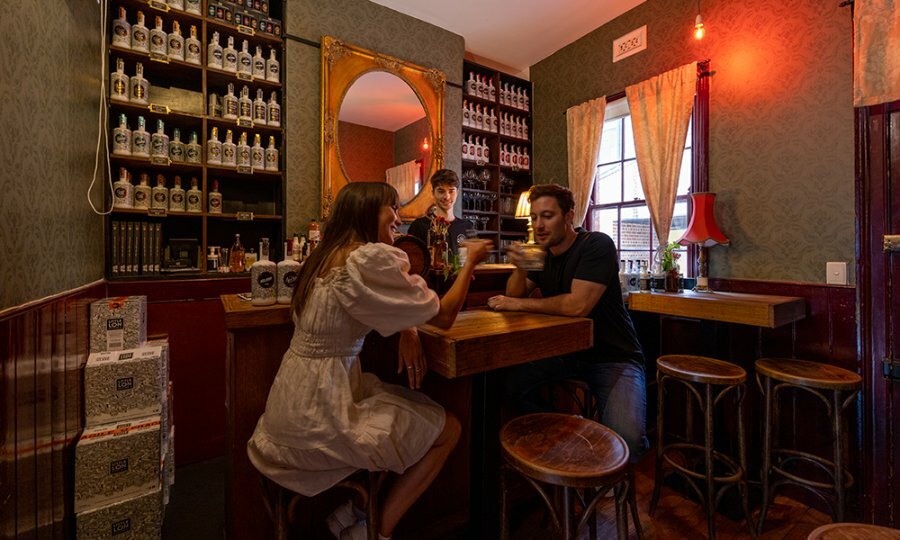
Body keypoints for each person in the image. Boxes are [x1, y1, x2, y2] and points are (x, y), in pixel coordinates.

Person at [248, 182, 491, 540]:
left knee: (405, 413)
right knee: (448, 429)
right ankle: (375, 532)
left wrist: (407, 327)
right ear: (365, 212)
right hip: (323, 416)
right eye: (390, 208)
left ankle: (356, 511)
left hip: (291, 405)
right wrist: (470, 262)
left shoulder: (323, 258)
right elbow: (442, 317)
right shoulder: (365, 258)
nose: (398, 217)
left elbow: (374, 307)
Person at [486, 183, 647, 460]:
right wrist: (521, 265)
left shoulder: (597, 244)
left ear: (569, 216)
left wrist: (518, 303)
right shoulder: (542, 254)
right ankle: (569, 432)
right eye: (534, 217)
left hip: (613, 357)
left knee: (628, 440)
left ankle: (601, 461)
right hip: (565, 354)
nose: (539, 225)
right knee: (507, 383)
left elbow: (578, 305)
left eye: (547, 216)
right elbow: (515, 293)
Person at [408, 169, 472, 256]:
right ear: (433, 193)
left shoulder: (467, 227)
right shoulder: (418, 226)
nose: (447, 196)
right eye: (441, 191)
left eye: (451, 191)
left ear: (457, 193)